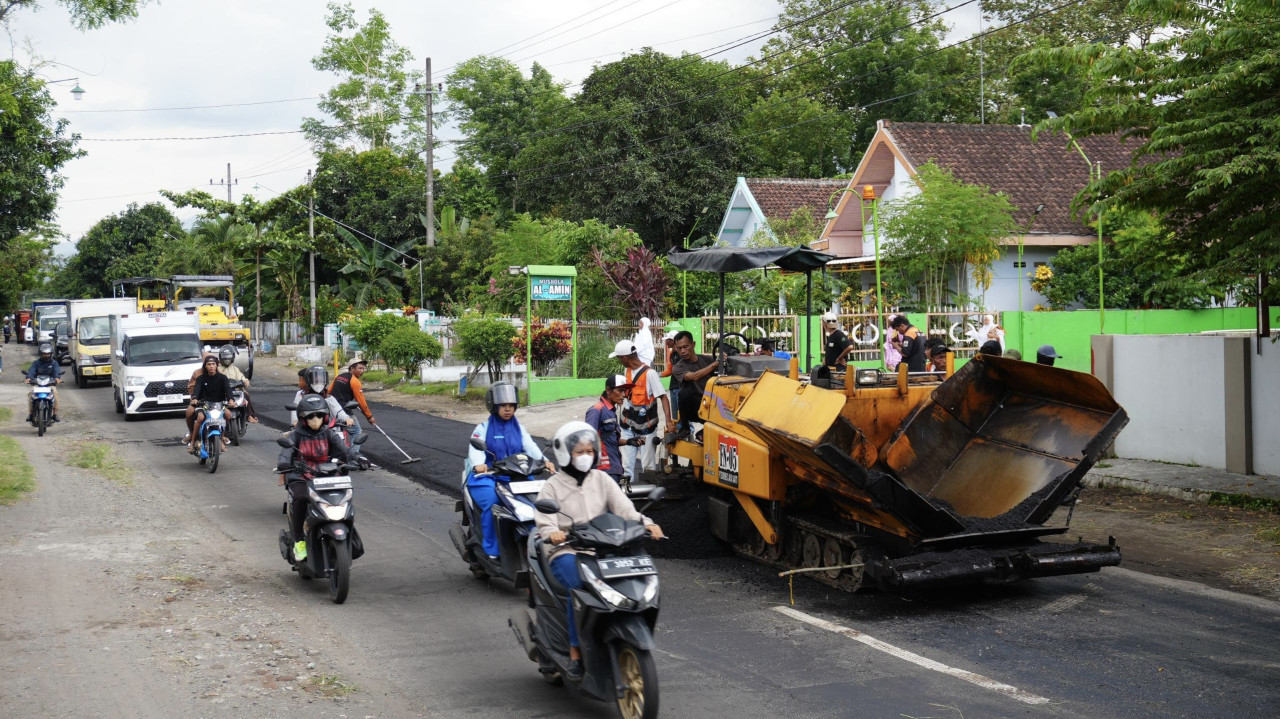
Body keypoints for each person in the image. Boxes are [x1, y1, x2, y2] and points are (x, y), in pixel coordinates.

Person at [535, 421, 664, 680]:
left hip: (603, 548)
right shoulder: (552, 486)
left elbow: (625, 510)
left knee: (633, 576)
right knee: (579, 587)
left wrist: (648, 524)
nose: (585, 457)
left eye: (589, 451)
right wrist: (554, 533)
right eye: (579, 452)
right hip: (567, 550)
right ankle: (574, 652)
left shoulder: (602, 479)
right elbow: (545, 522)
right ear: (565, 454)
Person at [467, 382, 554, 560]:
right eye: (503, 406)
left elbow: (530, 447)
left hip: (516, 475)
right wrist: (479, 464)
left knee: (539, 497)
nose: (508, 409)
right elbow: (475, 449)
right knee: (492, 502)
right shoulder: (482, 428)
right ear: (493, 406)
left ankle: (541, 539)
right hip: (488, 476)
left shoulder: (519, 428)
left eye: (511, 406)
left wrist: (545, 461)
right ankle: (491, 550)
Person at [276, 394, 354, 562]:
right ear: (303, 418)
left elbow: (344, 450)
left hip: (327, 475)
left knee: (344, 497)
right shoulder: (295, 435)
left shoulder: (329, 433)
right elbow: (285, 453)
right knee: (300, 498)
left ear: (325, 415)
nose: (315, 419)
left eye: (319, 415)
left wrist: (358, 458)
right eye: (310, 416)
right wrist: (284, 463)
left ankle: (352, 537)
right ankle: (299, 541)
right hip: (301, 476)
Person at [609, 339, 674, 481]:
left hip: (646, 428)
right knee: (626, 465)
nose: (619, 361)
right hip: (627, 426)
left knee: (648, 466)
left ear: (625, 357)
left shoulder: (650, 374)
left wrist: (668, 420)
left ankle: (648, 497)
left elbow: (663, 398)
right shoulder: (627, 371)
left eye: (619, 358)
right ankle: (628, 497)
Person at [585, 375, 630, 485]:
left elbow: (607, 440)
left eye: (624, 391)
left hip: (613, 469)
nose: (624, 395)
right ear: (608, 390)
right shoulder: (597, 410)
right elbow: (588, 441)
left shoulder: (610, 412)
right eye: (620, 390)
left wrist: (629, 442)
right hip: (604, 471)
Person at [188, 355, 236, 454]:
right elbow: (196, 390)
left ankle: (222, 438)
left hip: (219, 406)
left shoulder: (223, 378)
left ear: (217, 365)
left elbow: (228, 389)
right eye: (209, 364)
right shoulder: (201, 378)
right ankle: (192, 443)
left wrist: (231, 399)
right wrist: (195, 398)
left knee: (228, 414)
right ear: (205, 366)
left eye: (213, 364)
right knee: (200, 418)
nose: (211, 366)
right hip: (204, 406)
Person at [670, 330, 716, 432]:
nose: (682, 351)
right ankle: (685, 428)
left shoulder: (707, 359)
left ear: (693, 344)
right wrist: (714, 365)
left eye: (685, 347)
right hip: (695, 408)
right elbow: (694, 376)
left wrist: (723, 359)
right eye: (679, 348)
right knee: (684, 392)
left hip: (712, 404)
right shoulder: (678, 367)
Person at [288, 366, 354, 428]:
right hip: (306, 429)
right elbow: (295, 409)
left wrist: (346, 418)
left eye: (321, 378)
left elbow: (338, 410)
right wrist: (295, 421)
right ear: (308, 379)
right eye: (316, 378)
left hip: (326, 429)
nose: (318, 381)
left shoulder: (328, 397)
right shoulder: (301, 395)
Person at [329, 359, 376, 440]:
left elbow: (329, 391)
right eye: (360, 368)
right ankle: (352, 452)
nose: (362, 371)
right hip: (343, 410)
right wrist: (369, 417)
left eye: (363, 368)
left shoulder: (339, 376)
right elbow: (361, 402)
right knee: (357, 432)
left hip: (331, 408)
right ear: (352, 369)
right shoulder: (355, 381)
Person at [217, 346, 258, 423]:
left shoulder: (235, 369)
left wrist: (245, 381)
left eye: (228, 357)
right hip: (222, 391)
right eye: (224, 357)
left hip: (234, 390)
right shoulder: (217, 369)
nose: (226, 359)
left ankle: (249, 416)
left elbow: (241, 377)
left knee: (246, 395)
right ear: (221, 357)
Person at [25, 342, 62, 423]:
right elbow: (32, 371)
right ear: (41, 354)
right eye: (44, 354)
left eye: (48, 354)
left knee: (55, 393)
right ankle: (30, 414)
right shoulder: (36, 363)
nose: (46, 355)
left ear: (51, 354)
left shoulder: (54, 363)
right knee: (31, 393)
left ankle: (55, 414)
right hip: (37, 384)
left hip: (50, 385)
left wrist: (57, 378)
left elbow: (57, 371)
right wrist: (29, 378)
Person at [659, 331, 680, 427]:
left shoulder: (682, 354)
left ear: (673, 341)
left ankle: (688, 436)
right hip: (674, 386)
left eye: (668, 340)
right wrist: (659, 374)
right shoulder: (672, 354)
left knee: (683, 413)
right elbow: (670, 370)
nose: (666, 342)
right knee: (675, 415)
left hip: (681, 387)